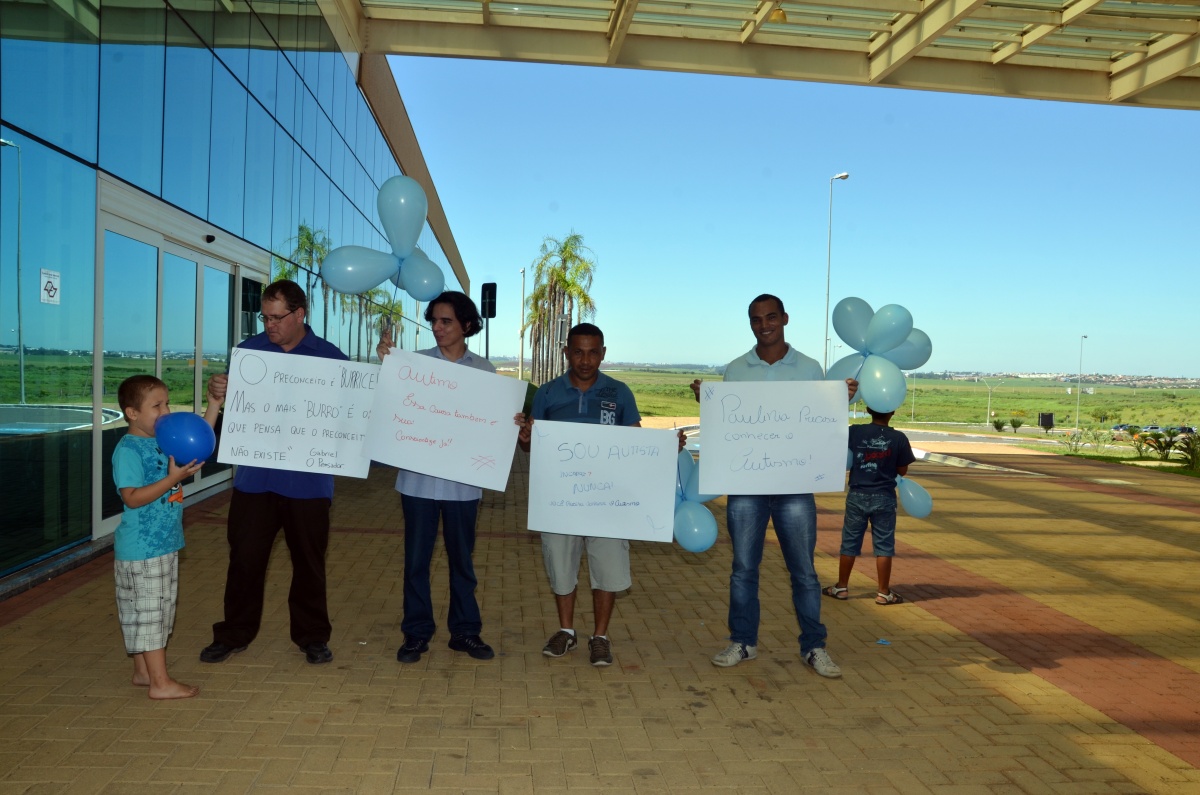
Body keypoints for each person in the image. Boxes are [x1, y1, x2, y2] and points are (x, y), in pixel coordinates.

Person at [691, 294, 856, 677]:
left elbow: (822, 423)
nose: (763, 325)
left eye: (770, 317)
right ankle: (743, 642)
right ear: (750, 323)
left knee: (805, 572)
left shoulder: (810, 369)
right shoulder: (736, 370)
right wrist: (708, 402)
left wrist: (840, 399)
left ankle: (814, 647)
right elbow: (726, 426)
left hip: (794, 487)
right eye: (756, 319)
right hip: (746, 487)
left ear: (784, 318)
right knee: (743, 569)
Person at [518, 323, 685, 667]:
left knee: (607, 568)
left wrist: (665, 447)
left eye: (593, 352)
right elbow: (531, 446)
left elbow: (635, 442)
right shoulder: (548, 393)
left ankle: (600, 637)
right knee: (560, 566)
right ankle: (566, 631)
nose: (585, 360)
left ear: (603, 353)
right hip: (561, 501)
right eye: (578, 352)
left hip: (608, 502)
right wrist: (526, 438)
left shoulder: (619, 392)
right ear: (566, 352)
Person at [201, 279, 348, 665]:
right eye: (264, 317)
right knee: (245, 561)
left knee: (309, 566)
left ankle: (312, 637)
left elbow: (348, 421)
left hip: (309, 484)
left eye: (277, 318)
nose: (269, 325)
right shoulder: (249, 353)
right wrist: (218, 390)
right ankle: (234, 633)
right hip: (255, 481)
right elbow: (235, 411)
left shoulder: (332, 359)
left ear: (300, 314)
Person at [376, 291, 501, 665]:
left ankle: (465, 632)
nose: (437, 327)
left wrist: (509, 422)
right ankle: (416, 634)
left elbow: (492, 424)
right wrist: (386, 367)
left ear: (466, 324)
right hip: (417, 483)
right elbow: (390, 407)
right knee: (416, 562)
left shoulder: (485, 372)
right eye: (433, 321)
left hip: (463, 486)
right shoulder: (412, 365)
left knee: (462, 562)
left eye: (446, 321)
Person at [112, 375, 222, 699]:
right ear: (132, 413)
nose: (166, 412)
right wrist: (172, 479)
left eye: (167, 403)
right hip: (144, 548)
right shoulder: (128, 450)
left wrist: (213, 405)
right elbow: (132, 497)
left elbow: (197, 439)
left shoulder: (159, 440)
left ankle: (142, 672)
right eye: (156, 406)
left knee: (144, 611)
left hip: (162, 544)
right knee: (152, 615)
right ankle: (160, 684)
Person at [823, 406, 915, 605]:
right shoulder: (899, 438)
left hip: (857, 494)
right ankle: (883, 593)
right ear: (893, 411)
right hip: (884, 497)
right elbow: (903, 470)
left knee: (849, 542)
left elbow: (835, 442)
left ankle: (841, 587)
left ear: (867, 409)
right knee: (884, 545)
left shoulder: (855, 431)